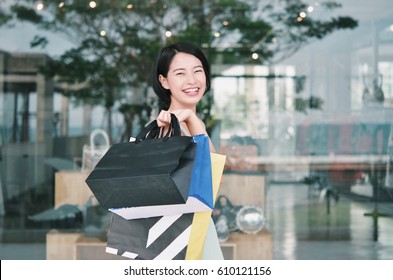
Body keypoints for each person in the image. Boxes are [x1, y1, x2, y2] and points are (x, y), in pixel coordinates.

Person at [151, 41, 224, 260]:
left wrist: (195, 123)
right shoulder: (167, 130)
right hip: (181, 239)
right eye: (180, 73)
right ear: (164, 81)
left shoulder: (191, 123)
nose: (192, 81)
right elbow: (210, 185)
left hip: (196, 231)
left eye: (198, 71)